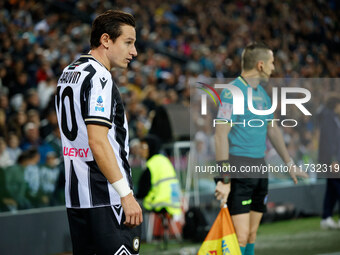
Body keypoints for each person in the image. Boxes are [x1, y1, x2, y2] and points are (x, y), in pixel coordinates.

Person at [55, 10, 142, 255]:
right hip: (107, 199)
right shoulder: (99, 77)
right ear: (106, 40)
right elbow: (97, 141)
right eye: (128, 42)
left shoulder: (68, 72)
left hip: (77, 198)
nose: (134, 52)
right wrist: (126, 195)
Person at [214, 42, 308, 255]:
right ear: (260, 65)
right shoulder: (232, 92)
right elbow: (220, 135)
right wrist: (225, 179)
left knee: (251, 235)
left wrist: (289, 163)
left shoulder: (262, 95)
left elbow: (273, 131)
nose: (274, 68)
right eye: (272, 63)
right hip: (239, 167)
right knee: (239, 236)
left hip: (259, 167)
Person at [136, 135, 181, 218]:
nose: (140, 151)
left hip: (158, 204)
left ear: (151, 147)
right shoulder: (165, 160)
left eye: (143, 147)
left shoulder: (151, 164)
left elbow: (142, 191)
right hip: (174, 205)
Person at [318, 95, 340, 229]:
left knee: (331, 189)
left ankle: (326, 217)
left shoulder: (333, 118)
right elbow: (330, 141)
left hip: (331, 159)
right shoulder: (329, 119)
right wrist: (334, 160)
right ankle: (326, 217)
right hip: (331, 160)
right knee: (337, 186)